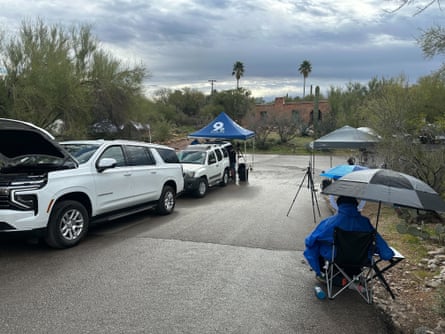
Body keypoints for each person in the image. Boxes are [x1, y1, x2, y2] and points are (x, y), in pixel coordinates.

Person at [304, 196, 394, 279]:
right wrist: (387, 253)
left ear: (339, 205)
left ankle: (321, 272)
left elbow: (309, 241)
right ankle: (353, 276)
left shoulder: (331, 222)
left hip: (336, 257)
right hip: (361, 259)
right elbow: (383, 249)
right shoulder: (366, 223)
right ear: (356, 206)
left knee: (316, 244)